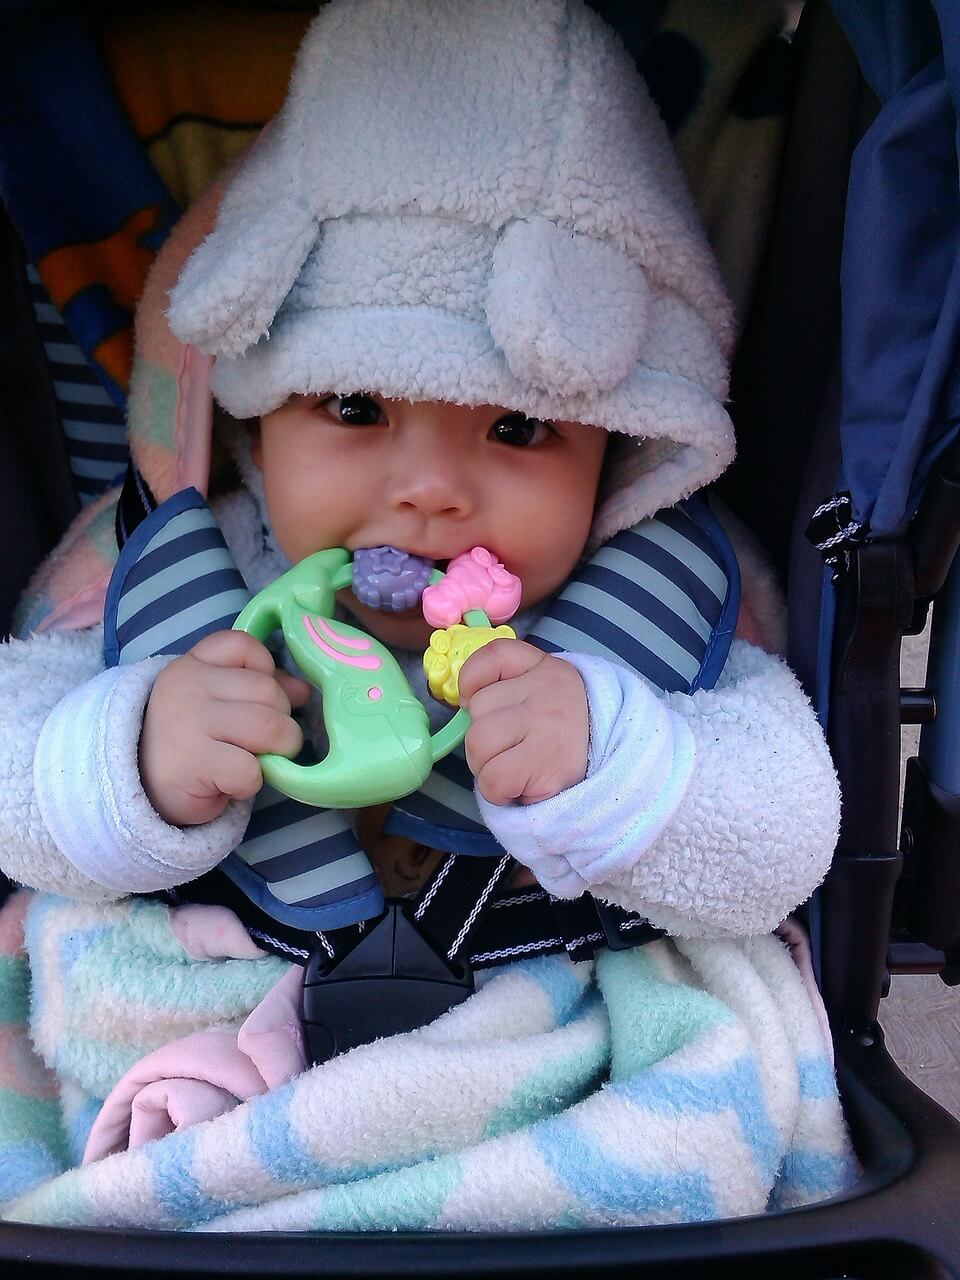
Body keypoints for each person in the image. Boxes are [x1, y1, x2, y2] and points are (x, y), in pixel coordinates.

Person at [0, 0, 846, 1207]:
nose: (433, 490)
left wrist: (621, 765)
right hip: (201, 1015)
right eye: (354, 408)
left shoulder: (651, 600)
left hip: (549, 1040)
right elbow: (11, 763)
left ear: (622, 447)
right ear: (251, 415)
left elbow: (786, 830)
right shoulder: (182, 570)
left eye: (519, 428)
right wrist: (128, 753)